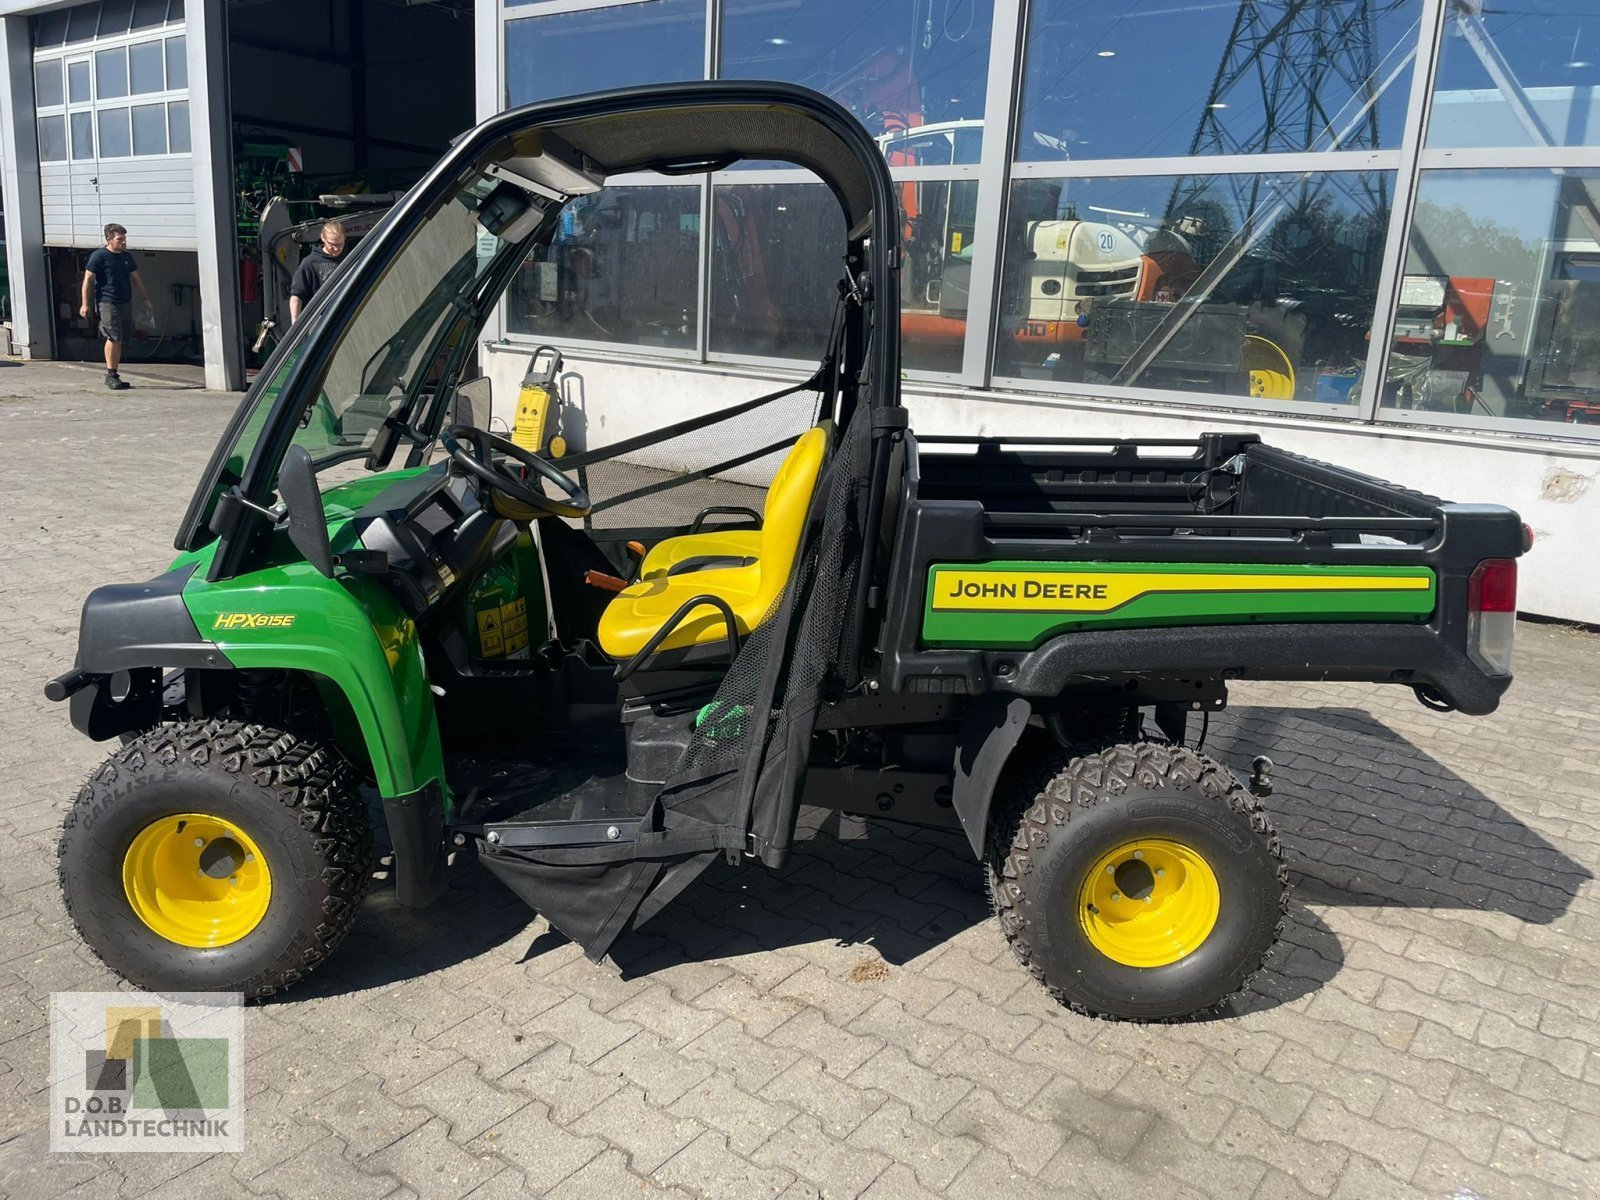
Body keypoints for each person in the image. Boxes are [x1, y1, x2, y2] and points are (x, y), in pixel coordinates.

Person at [80, 223, 154, 391]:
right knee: (113, 337)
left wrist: (145, 299)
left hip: (124, 301)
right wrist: (85, 304)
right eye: (120, 239)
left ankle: (115, 373)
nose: (124, 242)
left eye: (124, 238)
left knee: (121, 338)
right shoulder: (99, 256)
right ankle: (111, 374)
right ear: (110, 240)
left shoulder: (126, 257)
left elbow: (136, 279)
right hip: (107, 302)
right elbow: (88, 280)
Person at [288, 221, 348, 322]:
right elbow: (296, 296)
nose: (336, 248)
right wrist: (295, 322)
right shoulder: (309, 263)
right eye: (332, 244)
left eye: (340, 244)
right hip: (320, 320)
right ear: (323, 238)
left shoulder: (349, 259)